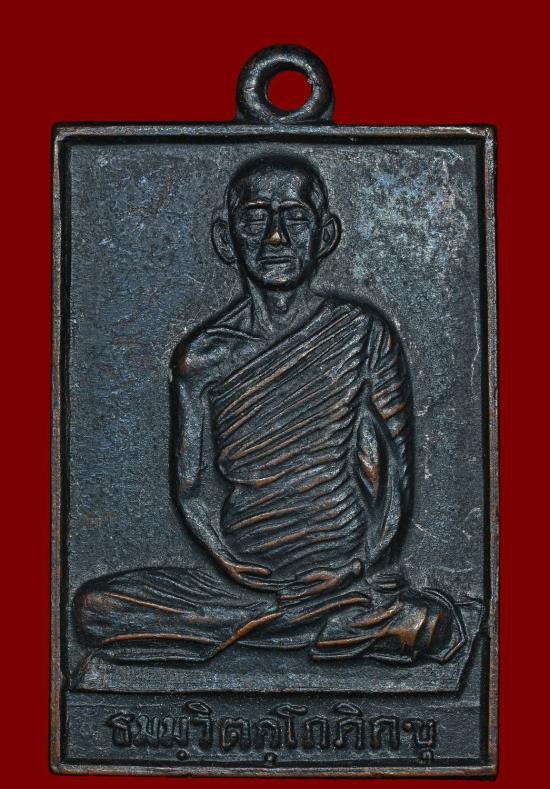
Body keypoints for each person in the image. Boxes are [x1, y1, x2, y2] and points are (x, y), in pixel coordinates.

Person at [75, 154, 461, 665]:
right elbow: (191, 488)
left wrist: (358, 564)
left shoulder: (363, 333)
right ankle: (332, 624)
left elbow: (394, 472)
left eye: (295, 218)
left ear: (325, 235)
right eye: (256, 218)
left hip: (345, 566)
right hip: (242, 579)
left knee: (411, 610)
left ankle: (316, 617)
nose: (275, 239)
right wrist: (225, 561)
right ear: (225, 238)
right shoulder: (202, 357)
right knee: (95, 610)